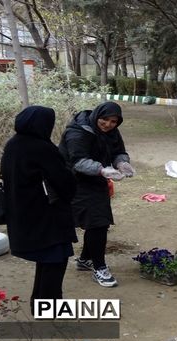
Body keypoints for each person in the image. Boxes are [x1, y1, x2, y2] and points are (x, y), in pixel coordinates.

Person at [0, 106, 77, 312]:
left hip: (23, 212)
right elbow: (63, 181)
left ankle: (39, 301)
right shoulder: (42, 147)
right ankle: (49, 307)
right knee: (55, 259)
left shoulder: (13, 144)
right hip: (46, 215)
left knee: (46, 259)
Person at [59, 101, 135, 287]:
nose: (108, 124)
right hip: (74, 181)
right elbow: (77, 161)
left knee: (97, 222)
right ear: (96, 115)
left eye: (113, 121)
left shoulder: (112, 132)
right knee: (98, 222)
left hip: (96, 180)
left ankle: (86, 259)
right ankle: (99, 268)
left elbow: (118, 151)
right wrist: (103, 170)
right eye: (104, 119)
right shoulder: (78, 131)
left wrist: (122, 163)